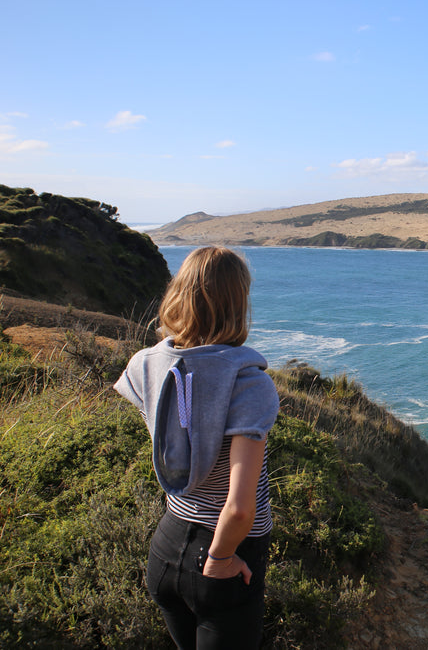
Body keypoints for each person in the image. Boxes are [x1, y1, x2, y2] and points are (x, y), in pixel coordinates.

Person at [115, 246, 279, 649]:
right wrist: (221, 556)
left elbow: (174, 443)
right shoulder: (248, 383)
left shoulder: (144, 364)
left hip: (166, 545)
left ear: (180, 293)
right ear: (238, 302)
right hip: (224, 551)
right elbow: (239, 508)